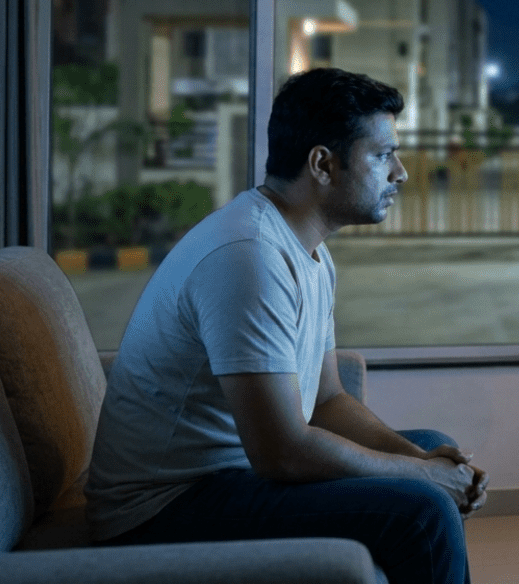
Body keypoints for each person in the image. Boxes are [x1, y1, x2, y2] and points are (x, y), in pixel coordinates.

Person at [86, 68, 485, 584]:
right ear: (323, 163)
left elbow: (326, 402)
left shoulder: (307, 251)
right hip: (161, 508)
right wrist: (425, 478)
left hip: (230, 474)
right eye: (384, 155)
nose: (401, 173)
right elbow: (282, 452)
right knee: (423, 512)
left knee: (430, 443)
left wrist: (426, 461)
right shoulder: (249, 254)